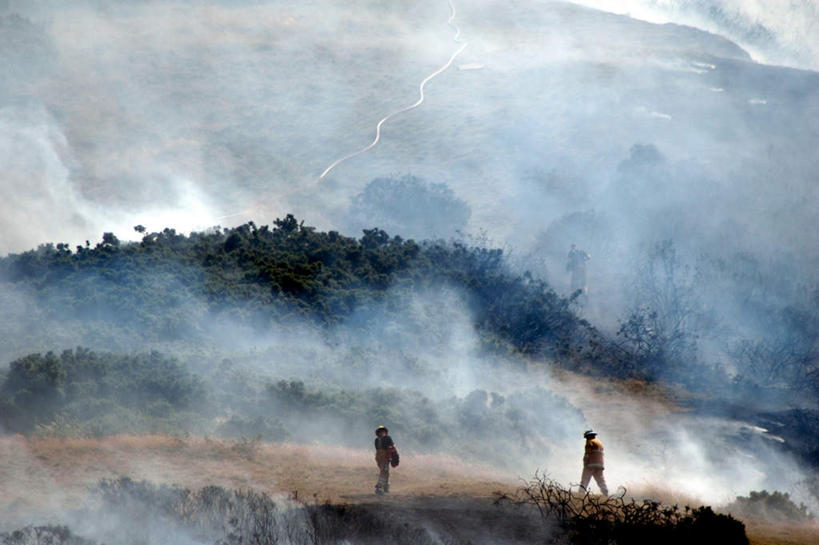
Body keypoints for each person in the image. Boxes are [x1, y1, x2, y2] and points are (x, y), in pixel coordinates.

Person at [580, 429, 608, 496]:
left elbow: (587, 454)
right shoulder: (599, 443)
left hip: (590, 464)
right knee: (600, 480)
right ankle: (605, 492)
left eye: (586, 437)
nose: (586, 439)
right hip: (600, 465)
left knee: (585, 479)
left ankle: (580, 494)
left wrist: (585, 463)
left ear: (588, 436)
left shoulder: (589, 442)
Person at [374, 425, 397, 495]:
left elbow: (392, 447)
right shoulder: (377, 439)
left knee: (385, 471)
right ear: (378, 432)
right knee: (384, 471)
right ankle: (380, 487)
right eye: (380, 431)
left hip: (384, 456)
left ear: (385, 432)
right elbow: (391, 447)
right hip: (380, 456)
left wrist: (391, 455)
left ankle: (385, 487)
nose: (382, 432)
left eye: (382, 431)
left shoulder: (386, 438)